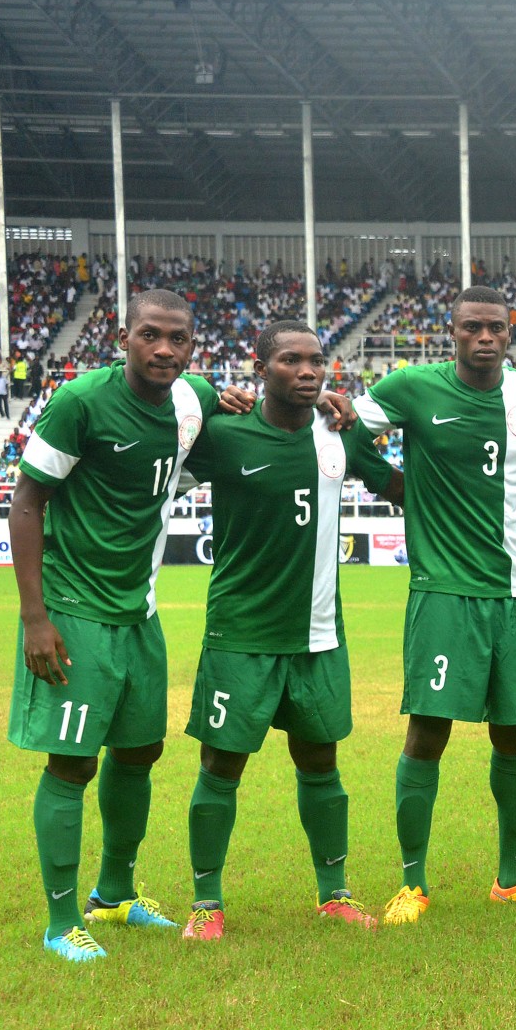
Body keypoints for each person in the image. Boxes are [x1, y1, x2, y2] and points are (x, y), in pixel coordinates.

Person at [9, 289, 220, 962]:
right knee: (73, 762)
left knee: (139, 752)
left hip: (140, 611)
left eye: (178, 339)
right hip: (75, 609)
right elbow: (26, 501)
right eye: (150, 335)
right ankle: (60, 921)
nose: (164, 349)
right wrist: (35, 618)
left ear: (192, 346)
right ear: (123, 337)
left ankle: (115, 894)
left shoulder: (194, 399)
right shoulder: (81, 402)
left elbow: (246, 405)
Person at [351, 285, 516, 924]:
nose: (484, 337)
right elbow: (347, 434)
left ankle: (513, 877)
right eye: (472, 327)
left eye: (495, 327)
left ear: (510, 332)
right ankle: (412, 883)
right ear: (452, 332)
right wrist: (395, 484)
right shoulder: (411, 387)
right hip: (444, 592)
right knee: (427, 732)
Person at [178, 321, 403, 940]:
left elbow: (397, 485)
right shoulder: (223, 434)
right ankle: (206, 904)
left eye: (316, 361)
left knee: (321, 762)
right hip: (241, 633)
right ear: (260, 369)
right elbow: (153, 473)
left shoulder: (338, 432)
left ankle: (335, 895)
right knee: (221, 765)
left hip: (318, 635)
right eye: (290, 361)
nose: (307, 371)